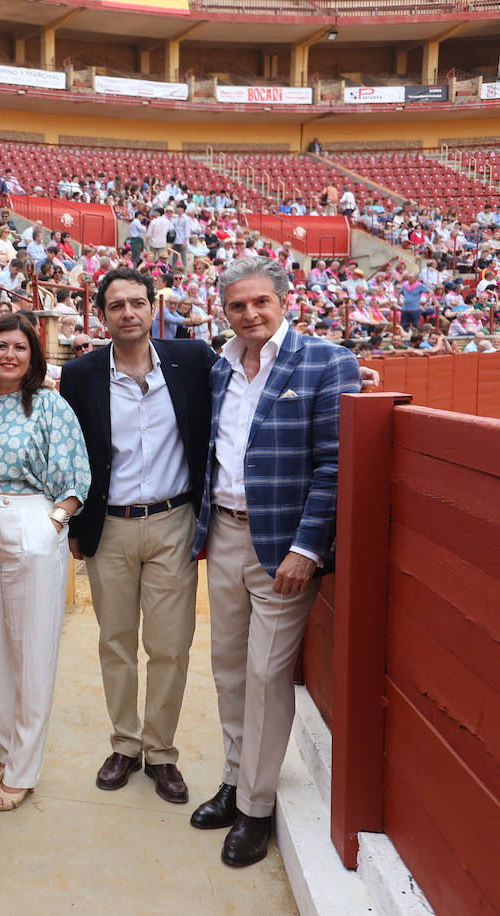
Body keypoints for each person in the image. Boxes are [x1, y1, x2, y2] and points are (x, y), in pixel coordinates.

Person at [189, 256, 361, 867]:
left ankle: (256, 809)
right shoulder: (221, 366)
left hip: (286, 546)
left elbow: (335, 463)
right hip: (228, 532)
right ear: (224, 311)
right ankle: (235, 778)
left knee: (265, 673)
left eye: (260, 302)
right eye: (237, 305)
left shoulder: (326, 360)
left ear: (283, 301)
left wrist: (308, 547)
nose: (250, 314)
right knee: (230, 667)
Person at [59, 267, 218, 807]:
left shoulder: (193, 359)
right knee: (116, 641)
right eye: (116, 305)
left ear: (154, 309)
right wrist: (78, 529)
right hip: (112, 525)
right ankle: (125, 744)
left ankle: (161, 751)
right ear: (101, 315)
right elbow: (72, 453)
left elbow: (247, 379)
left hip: (175, 520)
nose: (127, 312)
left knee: (170, 644)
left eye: (136, 303)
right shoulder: (81, 374)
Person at [0, 313, 90, 812]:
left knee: (31, 648)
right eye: (0, 346)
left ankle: (24, 769)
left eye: (20, 347)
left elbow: (76, 476)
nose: (10, 355)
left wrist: (51, 525)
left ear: (33, 356)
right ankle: (9, 748)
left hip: (33, 517)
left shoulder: (50, 404)